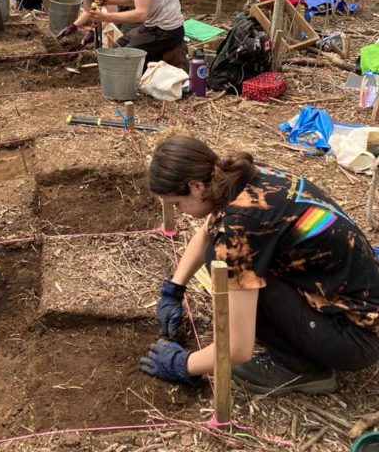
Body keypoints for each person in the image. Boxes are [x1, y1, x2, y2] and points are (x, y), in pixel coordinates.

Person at [141, 135, 379, 395]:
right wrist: (174, 289)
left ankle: (299, 368)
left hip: (355, 337)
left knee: (224, 262)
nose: (179, 210)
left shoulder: (240, 227)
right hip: (357, 304)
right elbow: (209, 231)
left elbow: (238, 349)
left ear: (196, 187)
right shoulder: (242, 176)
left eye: (176, 203)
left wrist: (183, 364)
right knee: (219, 256)